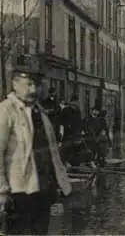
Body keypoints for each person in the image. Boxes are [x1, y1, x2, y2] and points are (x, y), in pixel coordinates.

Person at [0, 61, 71, 234]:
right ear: (15, 84)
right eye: (29, 84)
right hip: (18, 191)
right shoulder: (6, 110)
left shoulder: (40, 112)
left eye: (37, 85)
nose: (34, 90)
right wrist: (2, 190)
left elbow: (52, 152)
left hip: (42, 189)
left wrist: (62, 182)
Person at [58, 94, 87, 166]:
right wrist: (61, 133)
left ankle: (76, 164)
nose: (76, 105)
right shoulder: (65, 110)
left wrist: (81, 131)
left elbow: (79, 122)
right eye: (74, 103)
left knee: (78, 150)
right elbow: (61, 123)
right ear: (71, 102)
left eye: (77, 103)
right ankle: (66, 162)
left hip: (76, 134)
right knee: (66, 149)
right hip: (67, 134)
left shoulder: (78, 111)